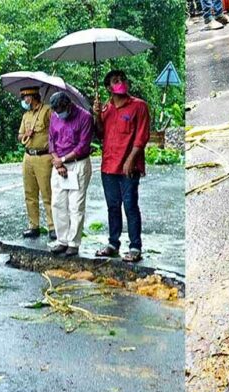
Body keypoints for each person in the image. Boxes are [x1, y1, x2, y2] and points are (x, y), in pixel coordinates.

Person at [92, 70, 150, 263]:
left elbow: (142, 137)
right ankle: (113, 243)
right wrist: (96, 115)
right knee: (112, 207)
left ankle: (135, 247)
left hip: (128, 167)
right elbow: (100, 134)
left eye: (123, 79)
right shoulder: (106, 108)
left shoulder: (139, 106)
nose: (121, 83)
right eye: (116, 81)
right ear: (108, 87)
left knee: (131, 206)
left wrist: (131, 159)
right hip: (108, 166)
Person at [48, 92, 94, 257]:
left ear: (68, 105)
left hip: (77, 164)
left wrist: (63, 159)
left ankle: (73, 243)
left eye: (60, 109)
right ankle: (62, 240)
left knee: (75, 205)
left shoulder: (85, 117)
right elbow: (51, 140)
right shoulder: (54, 116)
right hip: (58, 165)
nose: (59, 113)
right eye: (56, 110)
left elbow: (83, 145)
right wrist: (57, 161)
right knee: (58, 203)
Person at [17, 87, 56, 240]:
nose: (23, 100)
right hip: (28, 156)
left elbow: (56, 130)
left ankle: (53, 226)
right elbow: (19, 136)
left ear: (32, 97)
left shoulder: (47, 111)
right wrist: (25, 135)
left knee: (47, 192)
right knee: (30, 193)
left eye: (24, 97)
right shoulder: (26, 115)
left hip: (43, 157)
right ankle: (34, 226)